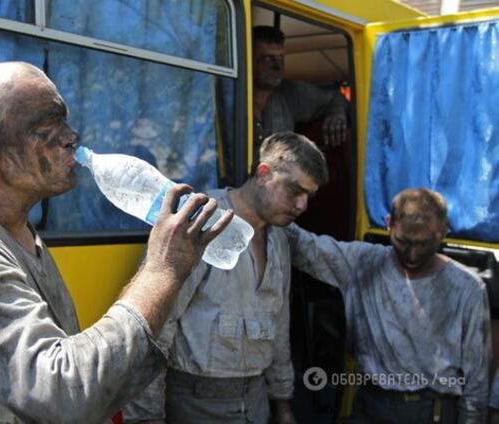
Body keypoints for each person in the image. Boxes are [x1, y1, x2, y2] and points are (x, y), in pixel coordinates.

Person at [0, 61, 233, 424]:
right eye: (46, 129)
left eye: (65, 122)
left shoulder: (15, 229)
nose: (71, 137)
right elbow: (61, 395)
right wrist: (163, 269)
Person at [123, 131, 329, 424]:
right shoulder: (200, 223)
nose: (302, 206)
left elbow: (279, 324)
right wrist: (146, 416)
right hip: (195, 402)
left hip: (256, 401)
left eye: (309, 196)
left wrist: (282, 403)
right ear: (263, 173)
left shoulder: (279, 239)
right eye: (295, 190)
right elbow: (154, 325)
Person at [286, 188, 490, 423]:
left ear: (444, 231)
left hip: (432, 413)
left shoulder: (467, 288)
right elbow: (302, 247)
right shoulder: (363, 263)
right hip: (369, 407)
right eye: (403, 242)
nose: (412, 255)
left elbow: (476, 380)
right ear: (389, 224)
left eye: (424, 244)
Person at [252, 25, 348, 165]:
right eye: (268, 59)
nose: (277, 67)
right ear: (248, 59)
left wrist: (337, 113)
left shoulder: (290, 93)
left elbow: (334, 97)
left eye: (280, 58)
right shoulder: (229, 95)